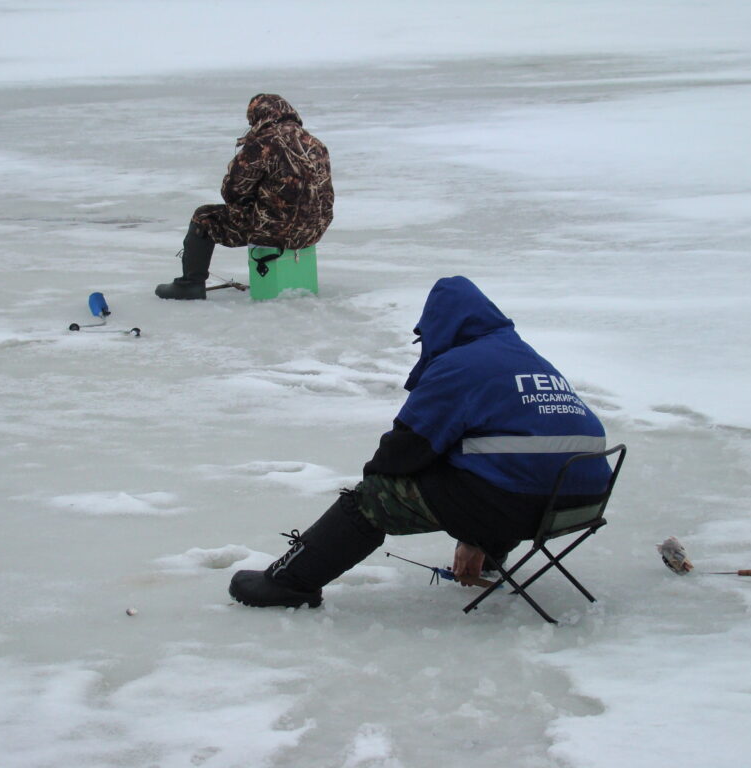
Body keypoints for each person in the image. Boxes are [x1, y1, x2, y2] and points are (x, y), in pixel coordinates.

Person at [229, 276, 612, 609]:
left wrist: (372, 486)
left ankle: (288, 583)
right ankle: (489, 557)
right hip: (582, 503)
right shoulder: (527, 358)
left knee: (374, 496)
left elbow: (406, 449)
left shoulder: (460, 364)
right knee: (496, 466)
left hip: (520, 505)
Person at [155, 94, 334, 300]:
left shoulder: (263, 143)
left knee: (204, 217)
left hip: (278, 231)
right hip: (313, 229)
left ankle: (190, 285)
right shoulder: (314, 142)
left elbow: (233, 191)